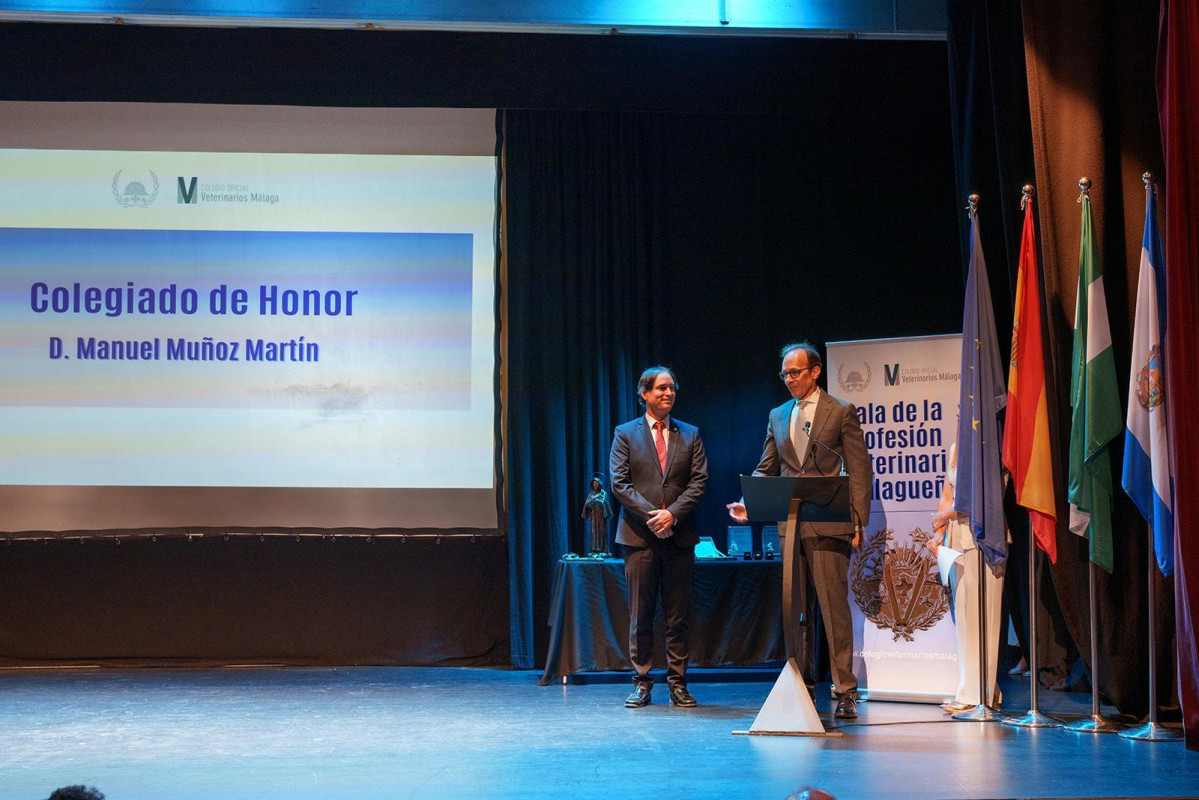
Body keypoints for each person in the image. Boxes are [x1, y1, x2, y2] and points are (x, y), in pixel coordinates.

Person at [727, 342, 872, 720]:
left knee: (833, 609)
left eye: (795, 372)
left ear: (815, 371)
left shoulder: (840, 412)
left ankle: (845, 690)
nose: (789, 379)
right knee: (796, 612)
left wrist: (857, 521)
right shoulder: (778, 415)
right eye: (785, 374)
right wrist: (750, 501)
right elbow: (767, 466)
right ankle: (801, 684)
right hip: (790, 526)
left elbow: (858, 471)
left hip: (829, 521)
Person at [609, 366, 708, 708]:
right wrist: (654, 516)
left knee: (678, 614)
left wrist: (673, 514)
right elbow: (620, 484)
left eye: (672, 388)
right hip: (640, 537)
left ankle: (678, 683)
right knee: (641, 613)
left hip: (679, 536)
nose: (669, 393)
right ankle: (641, 682)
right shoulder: (625, 434)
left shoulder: (690, 434)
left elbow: (699, 482)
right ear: (645, 394)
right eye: (662, 388)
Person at [927, 440, 1005, 712]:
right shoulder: (954, 446)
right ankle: (975, 690)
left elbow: (980, 501)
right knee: (964, 618)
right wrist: (938, 535)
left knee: (984, 617)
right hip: (957, 539)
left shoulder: (988, 443)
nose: (961, 409)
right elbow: (948, 495)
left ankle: (978, 694)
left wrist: (941, 516)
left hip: (984, 537)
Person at [581, 472, 613, 556]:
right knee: (594, 532)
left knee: (602, 531)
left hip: (601, 515)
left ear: (599, 484)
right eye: (594, 483)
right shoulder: (591, 494)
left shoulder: (603, 493)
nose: (595, 485)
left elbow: (605, 503)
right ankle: (594, 550)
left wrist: (599, 502)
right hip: (594, 515)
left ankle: (603, 550)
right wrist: (593, 500)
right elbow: (587, 503)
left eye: (596, 483)